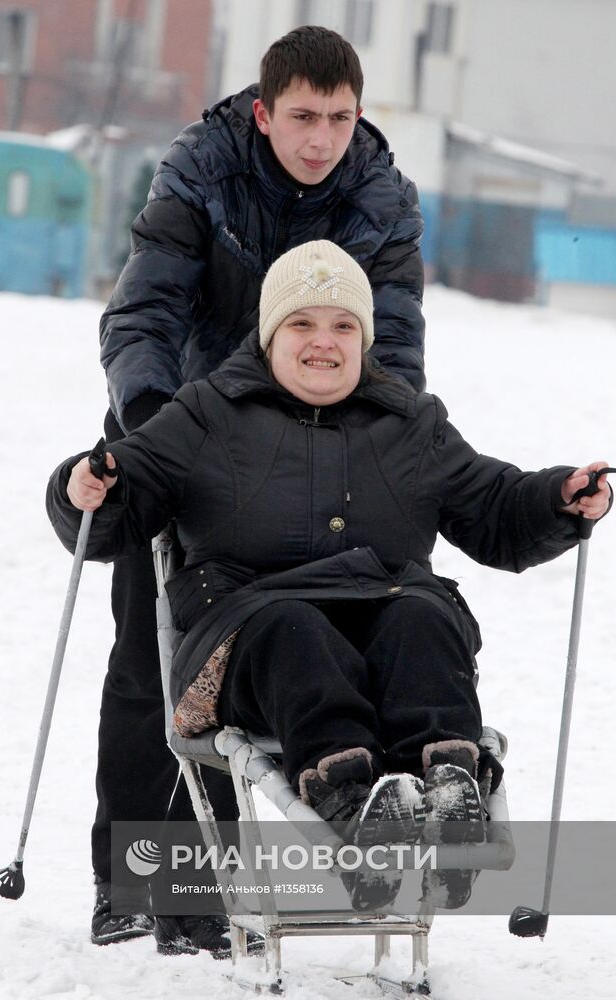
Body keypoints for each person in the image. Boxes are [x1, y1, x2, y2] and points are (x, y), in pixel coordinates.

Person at [48, 241, 612, 933]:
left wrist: (560, 499)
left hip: (381, 625)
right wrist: (85, 488)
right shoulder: (206, 413)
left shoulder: (411, 422)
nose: (324, 343)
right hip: (249, 634)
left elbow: (495, 505)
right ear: (271, 333)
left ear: (366, 339)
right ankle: (352, 813)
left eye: (344, 326)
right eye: (303, 325)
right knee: (296, 626)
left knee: (424, 617)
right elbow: (118, 502)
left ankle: (450, 796)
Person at [92, 25, 425, 949]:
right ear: (263, 112)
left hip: (323, 438)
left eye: (342, 119)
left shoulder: (382, 196)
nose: (323, 140)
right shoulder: (200, 170)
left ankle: (370, 834)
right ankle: (141, 881)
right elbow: (145, 309)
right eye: (305, 118)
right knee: (153, 657)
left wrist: (396, 439)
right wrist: (159, 428)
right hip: (191, 421)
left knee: (316, 636)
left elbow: (391, 340)